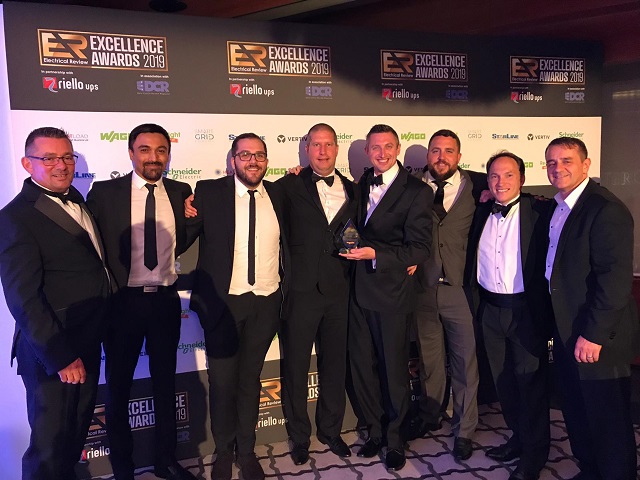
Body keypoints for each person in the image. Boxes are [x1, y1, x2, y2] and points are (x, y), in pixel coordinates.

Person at [0, 127, 111, 479]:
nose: (61, 165)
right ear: (27, 163)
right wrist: (61, 356)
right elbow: (23, 298)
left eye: (66, 157)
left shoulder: (78, 198)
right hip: (53, 351)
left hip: (87, 339)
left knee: (73, 438)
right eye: (48, 158)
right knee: (48, 449)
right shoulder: (15, 217)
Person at [86, 124, 195, 480]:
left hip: (164, 302)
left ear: (168, 154)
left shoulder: (180, 192)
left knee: (165, 385)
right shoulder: (104, 193)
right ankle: (123, 469)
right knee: (118, 389)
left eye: (161, 150)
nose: (153, 157)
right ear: (131, 152)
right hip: (122, 304)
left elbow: (188, 234)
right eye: (145, 149)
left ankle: (166, 461)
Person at [186, 133, 287, 480]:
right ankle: (224, 451)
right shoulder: (209, 192)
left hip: (266, 302)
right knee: (222, 382)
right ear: (232, 160)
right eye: (245, 155)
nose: (253, 161)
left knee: (250, 381)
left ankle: (247, 450)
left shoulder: (280, 194)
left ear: (267, 161)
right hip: (224, 304)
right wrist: (182, 211)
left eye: (259, 155)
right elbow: (183, 238)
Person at [544, 137, 638, 480]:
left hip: (596, 336)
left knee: (607, 418)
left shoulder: (605, 209)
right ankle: (591, 471)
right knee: (578, 411)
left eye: (567, 161)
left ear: (586, 165)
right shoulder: (558, 206)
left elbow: (614, 281)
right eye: (552, 162)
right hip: (568, 330)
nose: (558, 168)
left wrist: (594, 335)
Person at [341, 124, 432, 471]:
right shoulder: (361, 183)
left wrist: (377, 255)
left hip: (393, 293)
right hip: (358, 291)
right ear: (368, 152)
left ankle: (395, 439)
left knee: (394, 370)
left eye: (388, 147)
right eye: (375, 148)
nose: (382, 153)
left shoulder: (417, 191)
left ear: (398, 149)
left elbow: (420, 248)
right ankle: (375, 431)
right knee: (362, 367)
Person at [465, 152, 551, 480]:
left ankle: (535, 454)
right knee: (504, 383)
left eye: (509, 175)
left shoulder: (540, 211)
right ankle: (519, 438)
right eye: (494, 176)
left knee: (530, 383)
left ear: (522, 179)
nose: (500, 182)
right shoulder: (481, 209)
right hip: (490, 310)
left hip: (525, 311)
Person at [278, 123, 359, 465]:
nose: (323, 151)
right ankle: (299, 436)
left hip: (340, 290)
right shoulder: (288, 185)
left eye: (328, 144)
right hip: (300, 291)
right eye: (316, 145)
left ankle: (330, 430)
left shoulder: (355, 189)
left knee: (334, 365)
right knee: (296, 367)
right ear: (306, 149)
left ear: (336, 148)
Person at [410, 129, 486, 460]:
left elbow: (514, 195)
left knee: (465, 363)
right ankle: (431, 414)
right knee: (430, 361)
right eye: (436, 151)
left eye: (449, 151)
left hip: (460, 290)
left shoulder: (479, 184)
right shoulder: (410, 185)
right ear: (428, 155)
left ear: (459, 156)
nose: (442, 157)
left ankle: (465, 430)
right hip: (423, 289)